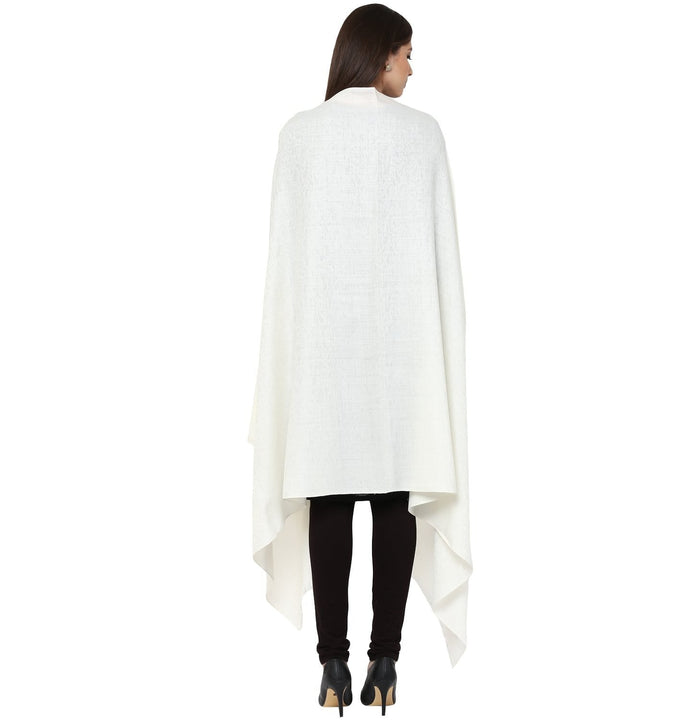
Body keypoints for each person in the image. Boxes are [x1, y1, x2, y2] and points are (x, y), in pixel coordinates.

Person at [248, 4, 472, 716]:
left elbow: (286, 271)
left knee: (329, 495)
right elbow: (442, 267)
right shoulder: (422, 135)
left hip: (325, 361)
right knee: (394, 498)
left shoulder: (300, 136)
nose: (412, 68)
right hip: (402, 361)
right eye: (407, 53)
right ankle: (385, 663)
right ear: (379, 55)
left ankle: (332, 667)